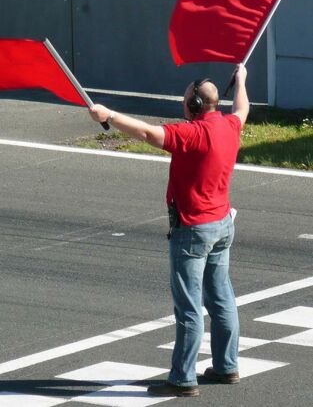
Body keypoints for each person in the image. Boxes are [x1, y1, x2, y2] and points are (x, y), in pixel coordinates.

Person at [89, 64, 249, 398]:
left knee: (189, 308)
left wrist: (109, 114)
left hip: (192, 230)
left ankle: (182, 379)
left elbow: (148, 134)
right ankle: (226, 365)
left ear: (193, 107)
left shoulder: (191, 134)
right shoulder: (230, 126)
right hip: (222, 225)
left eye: (186, 99)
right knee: (221, 299)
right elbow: (242, 107)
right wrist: (243, 80)